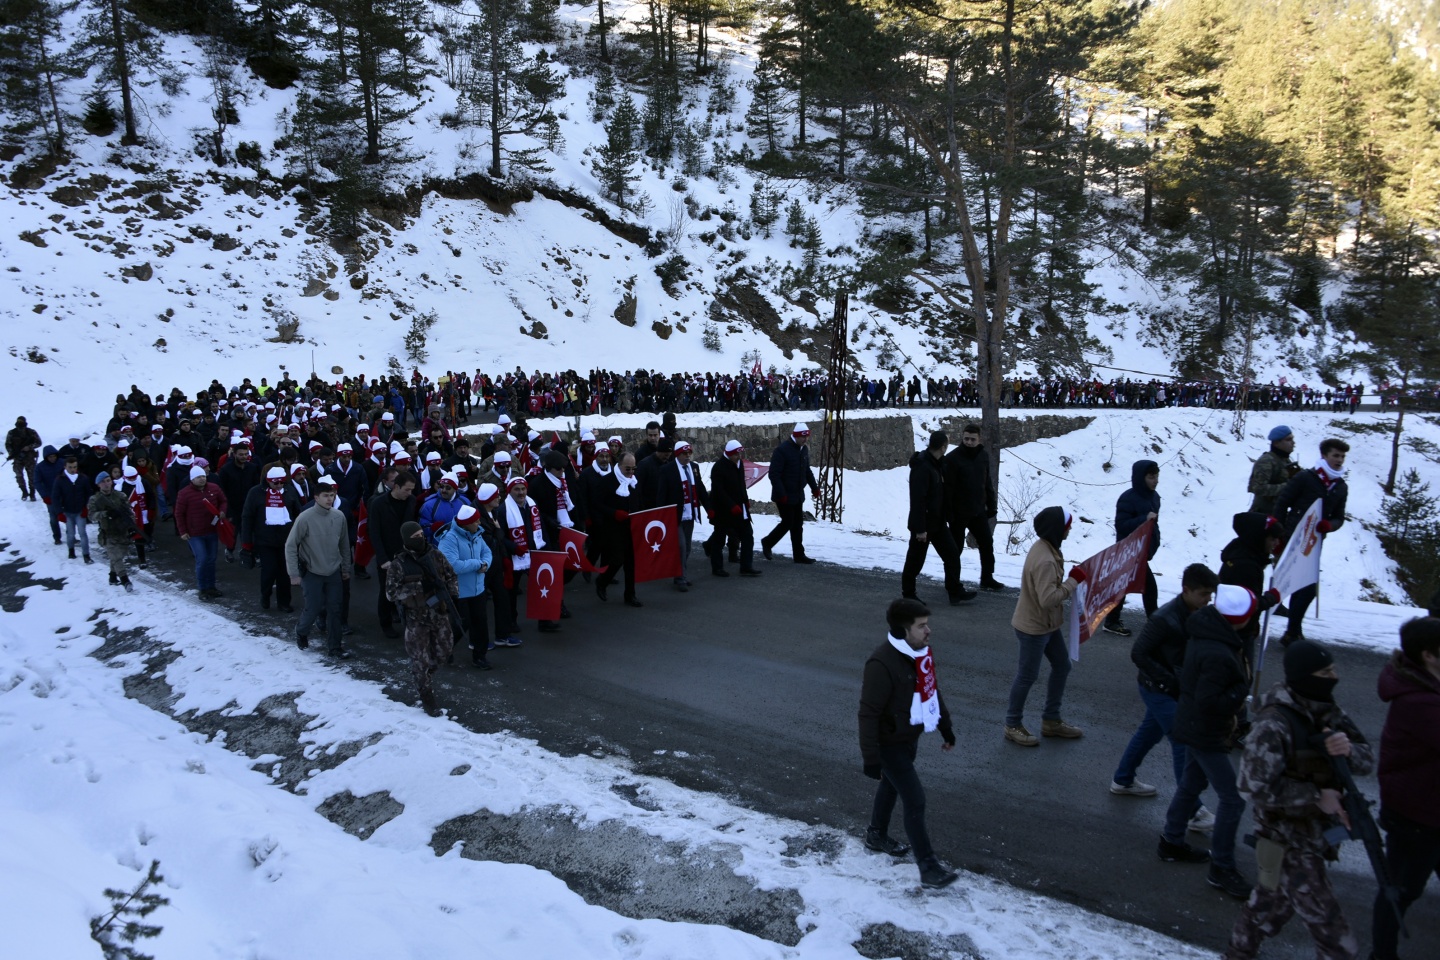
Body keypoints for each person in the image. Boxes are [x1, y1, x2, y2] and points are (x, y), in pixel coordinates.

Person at [1223, 640, 1374, 960]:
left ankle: (1238, 954)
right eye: (1324, 672)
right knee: (1337, 940)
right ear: (1304, 676)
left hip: (1316, 834)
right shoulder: (1274, 723)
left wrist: (1346, 750)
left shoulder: (1327, 711)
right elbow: (1252, 787)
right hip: (1287, 839)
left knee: (1268, 906)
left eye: (1333, 670)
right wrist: (1318, 797)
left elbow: (1366, 761)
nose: (1332, 677)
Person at [1159, 584, 1274, 900]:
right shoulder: (1217, 651)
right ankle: (1221, 867)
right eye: (1252, 615)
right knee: (1233, 799)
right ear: (1238, 619)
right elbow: (1211, 700)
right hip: (1205, 729)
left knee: (1191, 785)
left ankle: (1171, 841)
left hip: (1196, 724)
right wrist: (1241, 692)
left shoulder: (1211, 630)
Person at [858, 597, 959, 889]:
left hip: (908, 738)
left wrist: (946, 729)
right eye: (922, 626)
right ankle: (928, 867)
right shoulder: (881, 663)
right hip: (888, 744)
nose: (928, 631)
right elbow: (868, 713)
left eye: (927, 625)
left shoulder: (920, 655)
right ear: (904, 632)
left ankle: (876, 835)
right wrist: (870, 758)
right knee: (915, 799)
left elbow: (931, 692)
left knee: (891, 786)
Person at [1111, 563, 1219, 798]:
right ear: (1186, 590)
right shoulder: (1164, 618)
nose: (1208, 599)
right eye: (1203, 594)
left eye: (1210, 594)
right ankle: (1190, 810)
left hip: (1173, 687)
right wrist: (1168, 682)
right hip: (1158, 688)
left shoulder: (1197, 613)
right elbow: (1138, 653)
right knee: (1183, 742)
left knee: (1149, 732)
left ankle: (1123, 779)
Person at [1371, 617, 1440, 960]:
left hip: (1426, 807)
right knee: (1399, 890)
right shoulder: (1421, 703)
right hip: (1417, 813)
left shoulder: (1426, 683)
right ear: (1429, 655)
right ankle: (1382, 955)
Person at [1003, 506, 1082, 746]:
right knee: (1027, 676)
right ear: (1057, 529)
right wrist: (1072, 582)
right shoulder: (1046, 559)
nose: (1070, 529)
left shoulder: (1046, 547)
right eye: (1067, 525)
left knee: (1062, 666)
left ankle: (1051, 720)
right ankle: (1012, 724)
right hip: (1033, 628)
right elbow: (1048, 599)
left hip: (1047, 625)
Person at [1272, 438, 1349, 645]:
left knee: (1306, 588)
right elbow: (1282, 503)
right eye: (1335, 455)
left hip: (1315, 542)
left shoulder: (1340, 487)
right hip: (1293, 537)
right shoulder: (1306, 477)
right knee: (1294, 583)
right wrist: (1277, 534)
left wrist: (1329, 525)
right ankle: (1291, 631)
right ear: (1324, 455)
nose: (1339, 460)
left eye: (1342, 456)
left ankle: (1292, 631)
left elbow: (1339, 517)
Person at [388, 520, 462, 715]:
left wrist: (450, 593)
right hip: (416, 618)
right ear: (407, 540)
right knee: (419, 659)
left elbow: (451, 576)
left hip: (439, 613)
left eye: (422, 534)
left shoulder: (435, 555)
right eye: (415, 537)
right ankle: (426, 695)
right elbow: (391, 593)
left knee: (444, 652)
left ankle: (425, 676)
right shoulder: (399, 564)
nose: (420, 538)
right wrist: (419, 588)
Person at [285, 476, 353, 658]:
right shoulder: (305, 518)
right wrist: (293, 573)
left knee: (335, 609)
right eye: (325, 495)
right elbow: (291, 545)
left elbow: (345, 544)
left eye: (332, 495)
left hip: (333, 572)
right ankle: (301, 630)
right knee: (313, 607)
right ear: (316, 497)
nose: (330, 499)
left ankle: (335, 647)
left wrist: (346, 568)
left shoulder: (339, 517)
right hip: (312, 572)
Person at [901, 431, 966, 605]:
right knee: (915, 560)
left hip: (938, 522)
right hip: (923, 524)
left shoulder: (937, 463)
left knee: (952, 555)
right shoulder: (923, 467)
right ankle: (908, 593)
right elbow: (918, 500)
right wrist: (920, 529)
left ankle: (955, 591)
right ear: (943, 447)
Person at [1104, 459, 1161, 637]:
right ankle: (1155, 624)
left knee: (1124, 587)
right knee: (1148, 588)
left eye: (1157, 476)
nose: (1156, 480)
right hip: (1128, 551)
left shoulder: (1155, 497)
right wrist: (1144, 518)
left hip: (1142, 552)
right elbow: (1121, 525)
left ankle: (1112, 621)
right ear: (1141, 477)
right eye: (1152, 477)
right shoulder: (1127, 498)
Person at [943, 422, 1002, 590]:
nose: (969, 442)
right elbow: (947, 489)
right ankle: (952, 582)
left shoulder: (983, 456)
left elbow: (987, 481)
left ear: (979, 439)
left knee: (986, 543)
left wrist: (992, 504)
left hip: (977, 510)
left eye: (972, 439)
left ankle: (987, 577)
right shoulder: (953, 458)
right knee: (955, 549)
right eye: (966, 439)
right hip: (958, 512)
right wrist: (948, 512)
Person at [436, 504, 493, 669]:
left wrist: (486, 564)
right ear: (465, 523)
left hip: (478, 589)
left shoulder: (476, 533)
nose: (479, 524)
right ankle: (444, 649)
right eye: (475, 521)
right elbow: (452, 565)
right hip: (459, 591)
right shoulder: (449, 539)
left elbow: (487, 553)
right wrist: (478, 564)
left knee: (481, 623)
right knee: (461, 624)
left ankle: (480, 656)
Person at [367, 471, 418, 640]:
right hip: (387, 555)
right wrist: (382, 559)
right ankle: (386, 623)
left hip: (407, 554)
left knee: (410, 590)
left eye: (412, 490)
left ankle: (408, 621)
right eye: (407, 490)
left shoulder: (411, 501)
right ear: (396, 487)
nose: (410, 493)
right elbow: (374, 532)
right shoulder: (379, 504)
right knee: (386, 592)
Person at [654, 439, 709, 592]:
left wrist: (709, 508)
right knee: (680, 546)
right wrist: (661, 515)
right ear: (677, 455)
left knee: (688, 547)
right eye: (684, 453)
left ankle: (679, 573)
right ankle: (681, 577)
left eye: (689, 453)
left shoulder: (694, 468)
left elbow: (700, 489)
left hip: (690, 514)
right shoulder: (667, 470)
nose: (687, 456)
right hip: (675, 515)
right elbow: (661, 495)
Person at [240, 466, 296, 612]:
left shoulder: (289, 491)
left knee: (284, 573)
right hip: (264, 540)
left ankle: (284, 602)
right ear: (268, 481)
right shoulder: (255, 493)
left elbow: (298, 513)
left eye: (281, 483)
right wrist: (246, 541)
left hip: (285, 539)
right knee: (269, 571)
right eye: (275, 483)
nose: (279, 486)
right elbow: (247, 517)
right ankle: (265, 594)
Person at [761, 423, 819, 563]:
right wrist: (782, 494)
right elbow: (774, 474)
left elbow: (807, 470)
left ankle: (799, 555)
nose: (805, 440)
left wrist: (814, 487)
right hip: (784, 495)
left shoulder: (803, 450)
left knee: (797, 525)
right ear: (796, 436)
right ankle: (767, 542)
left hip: (797, 494)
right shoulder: (782, 450)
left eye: (807, 437)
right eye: (803, 437)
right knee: (788, 522)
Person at [705, 439, 761, 577]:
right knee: (719, 539)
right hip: (723, 510)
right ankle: (717, 568)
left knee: (747, 535)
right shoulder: (718, 467)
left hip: (739, 507)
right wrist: (731, 505)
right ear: (729, 454)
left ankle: (746, 566)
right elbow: (719, 491)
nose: (739, 457)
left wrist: (745, 500)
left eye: (740, 454)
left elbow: (741, 484)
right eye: (736, 454)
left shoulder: (739, 464)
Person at [594, 454, 642, 607]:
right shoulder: (607, 481)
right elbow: (597, 504)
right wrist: (614, 513)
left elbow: (638, 501)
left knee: (631, 563)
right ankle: (602, 581)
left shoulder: (633, 481)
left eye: (633, 469)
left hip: (631, 526)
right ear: (619, 465)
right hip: (612, 527)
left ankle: (630, 595)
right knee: (617, 559)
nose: (630, 472)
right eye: (627, 469)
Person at [174, 464, 227, 600]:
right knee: (202, 559)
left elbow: (223, 501)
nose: (202, 479)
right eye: (198, 477)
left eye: (203, 476)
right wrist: (182, 531)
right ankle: (203, 589)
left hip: (212, 530)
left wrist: (222, 511)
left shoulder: (214, 488)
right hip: (194, 533)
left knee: (211, 560)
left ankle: (211, 587)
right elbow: (179, 513)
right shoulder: (184, 493)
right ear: (192, 479)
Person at [87, 473, 136, 590]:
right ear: (98, 484)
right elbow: (91, 516)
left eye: (108, 480)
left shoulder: (120, 496)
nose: (106, 484)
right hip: (108, 533)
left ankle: (113, 577)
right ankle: (125, 581)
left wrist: (132, 526)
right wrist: (105, 514)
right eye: (103, 482)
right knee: (116, 557)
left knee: (118, 556)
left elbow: (130, 512)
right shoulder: (95, 499)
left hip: (122, 531)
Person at [1248, 425, 1298, 516]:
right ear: (1276, 443)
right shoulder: (1266, 461)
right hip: (1262, 516)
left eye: (1292, 439)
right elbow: (1258, 488)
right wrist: (1288, 486)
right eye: (1288, 440)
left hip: (1279, 515)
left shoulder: (1285, 460)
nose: (1293, 443)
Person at [51, 456, 94, 563]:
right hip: (67, 511)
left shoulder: (82, 478)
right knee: (70, 534)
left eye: (75, 467)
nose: (73, 469)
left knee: (82, 533)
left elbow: (89, 494)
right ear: (65, 467)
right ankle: (71, 550)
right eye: (70, 467)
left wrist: (86, 507)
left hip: (80, 510)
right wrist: (59, 512)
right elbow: (55, 497)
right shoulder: (60, 480)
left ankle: (86, 555)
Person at [6, 415, 42, 500]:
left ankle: (32, 493)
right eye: (19, 422)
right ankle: (24, 492)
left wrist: (29, 447)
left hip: (29, 457)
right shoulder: (12, 433)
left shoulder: (31, 432)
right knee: (19, 476)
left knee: (32, 476)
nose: (20, 424)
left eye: (22, 422)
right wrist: (13, 453)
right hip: (18, 458)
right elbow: (8, 445)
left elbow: (39, 442)